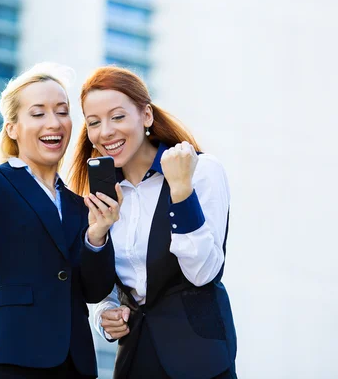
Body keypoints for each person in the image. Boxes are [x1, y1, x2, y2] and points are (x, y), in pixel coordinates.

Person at [0, 63, 122, 378]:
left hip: (74, 365)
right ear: (12, 128)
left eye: (62, 112)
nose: (54, 123)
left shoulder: (80, 205)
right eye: (38, 113)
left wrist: (98, 233)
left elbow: (94, 291)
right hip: (9, 357)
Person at [68, 66, 237, 379]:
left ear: (146, 116)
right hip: (135, 359)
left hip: (199, 362)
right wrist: (105, 314)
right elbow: (100, 288)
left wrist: (181, 191)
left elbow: (203, 272)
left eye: (117, 116)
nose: (105, 132)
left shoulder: (201, 171)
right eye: (94, 122)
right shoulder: (99, 194)